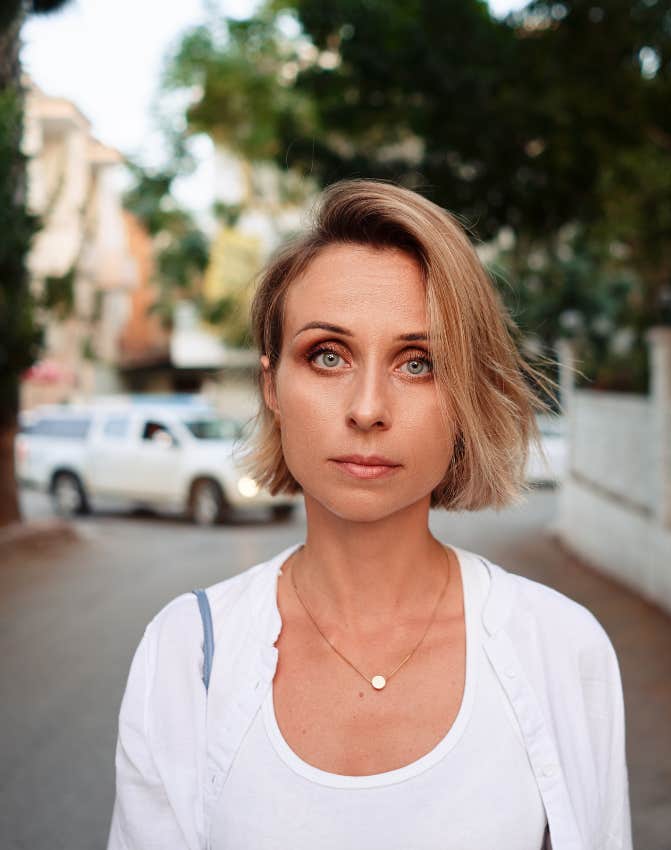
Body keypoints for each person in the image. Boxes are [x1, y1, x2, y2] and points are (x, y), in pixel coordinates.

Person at [107, 179, 632, 850]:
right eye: (328, 356)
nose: (367, 409)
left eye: (418, 363)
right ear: (272, 385)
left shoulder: (561, 648)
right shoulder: (186, 653)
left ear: (465, 396)